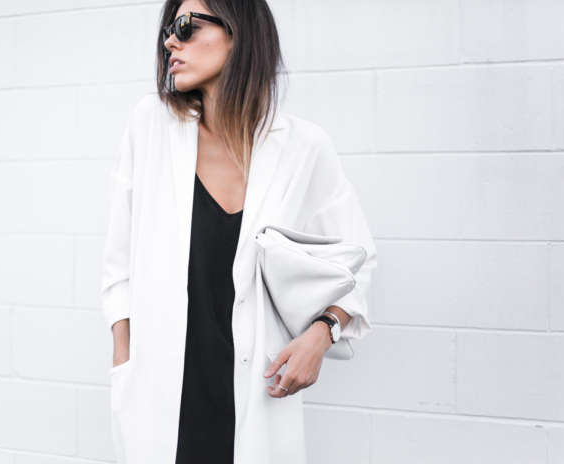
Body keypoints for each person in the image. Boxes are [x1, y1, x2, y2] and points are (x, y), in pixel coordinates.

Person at [102, 1, 378, 463]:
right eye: (169, 29)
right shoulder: (150, 125)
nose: (170, 41)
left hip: (256, 397)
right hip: (158, 403)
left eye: (186, 27)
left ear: (238, 33)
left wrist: (322, 334)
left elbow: (360, 260)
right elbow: (118, 267)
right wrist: (124, 364)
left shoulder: (302, 147)